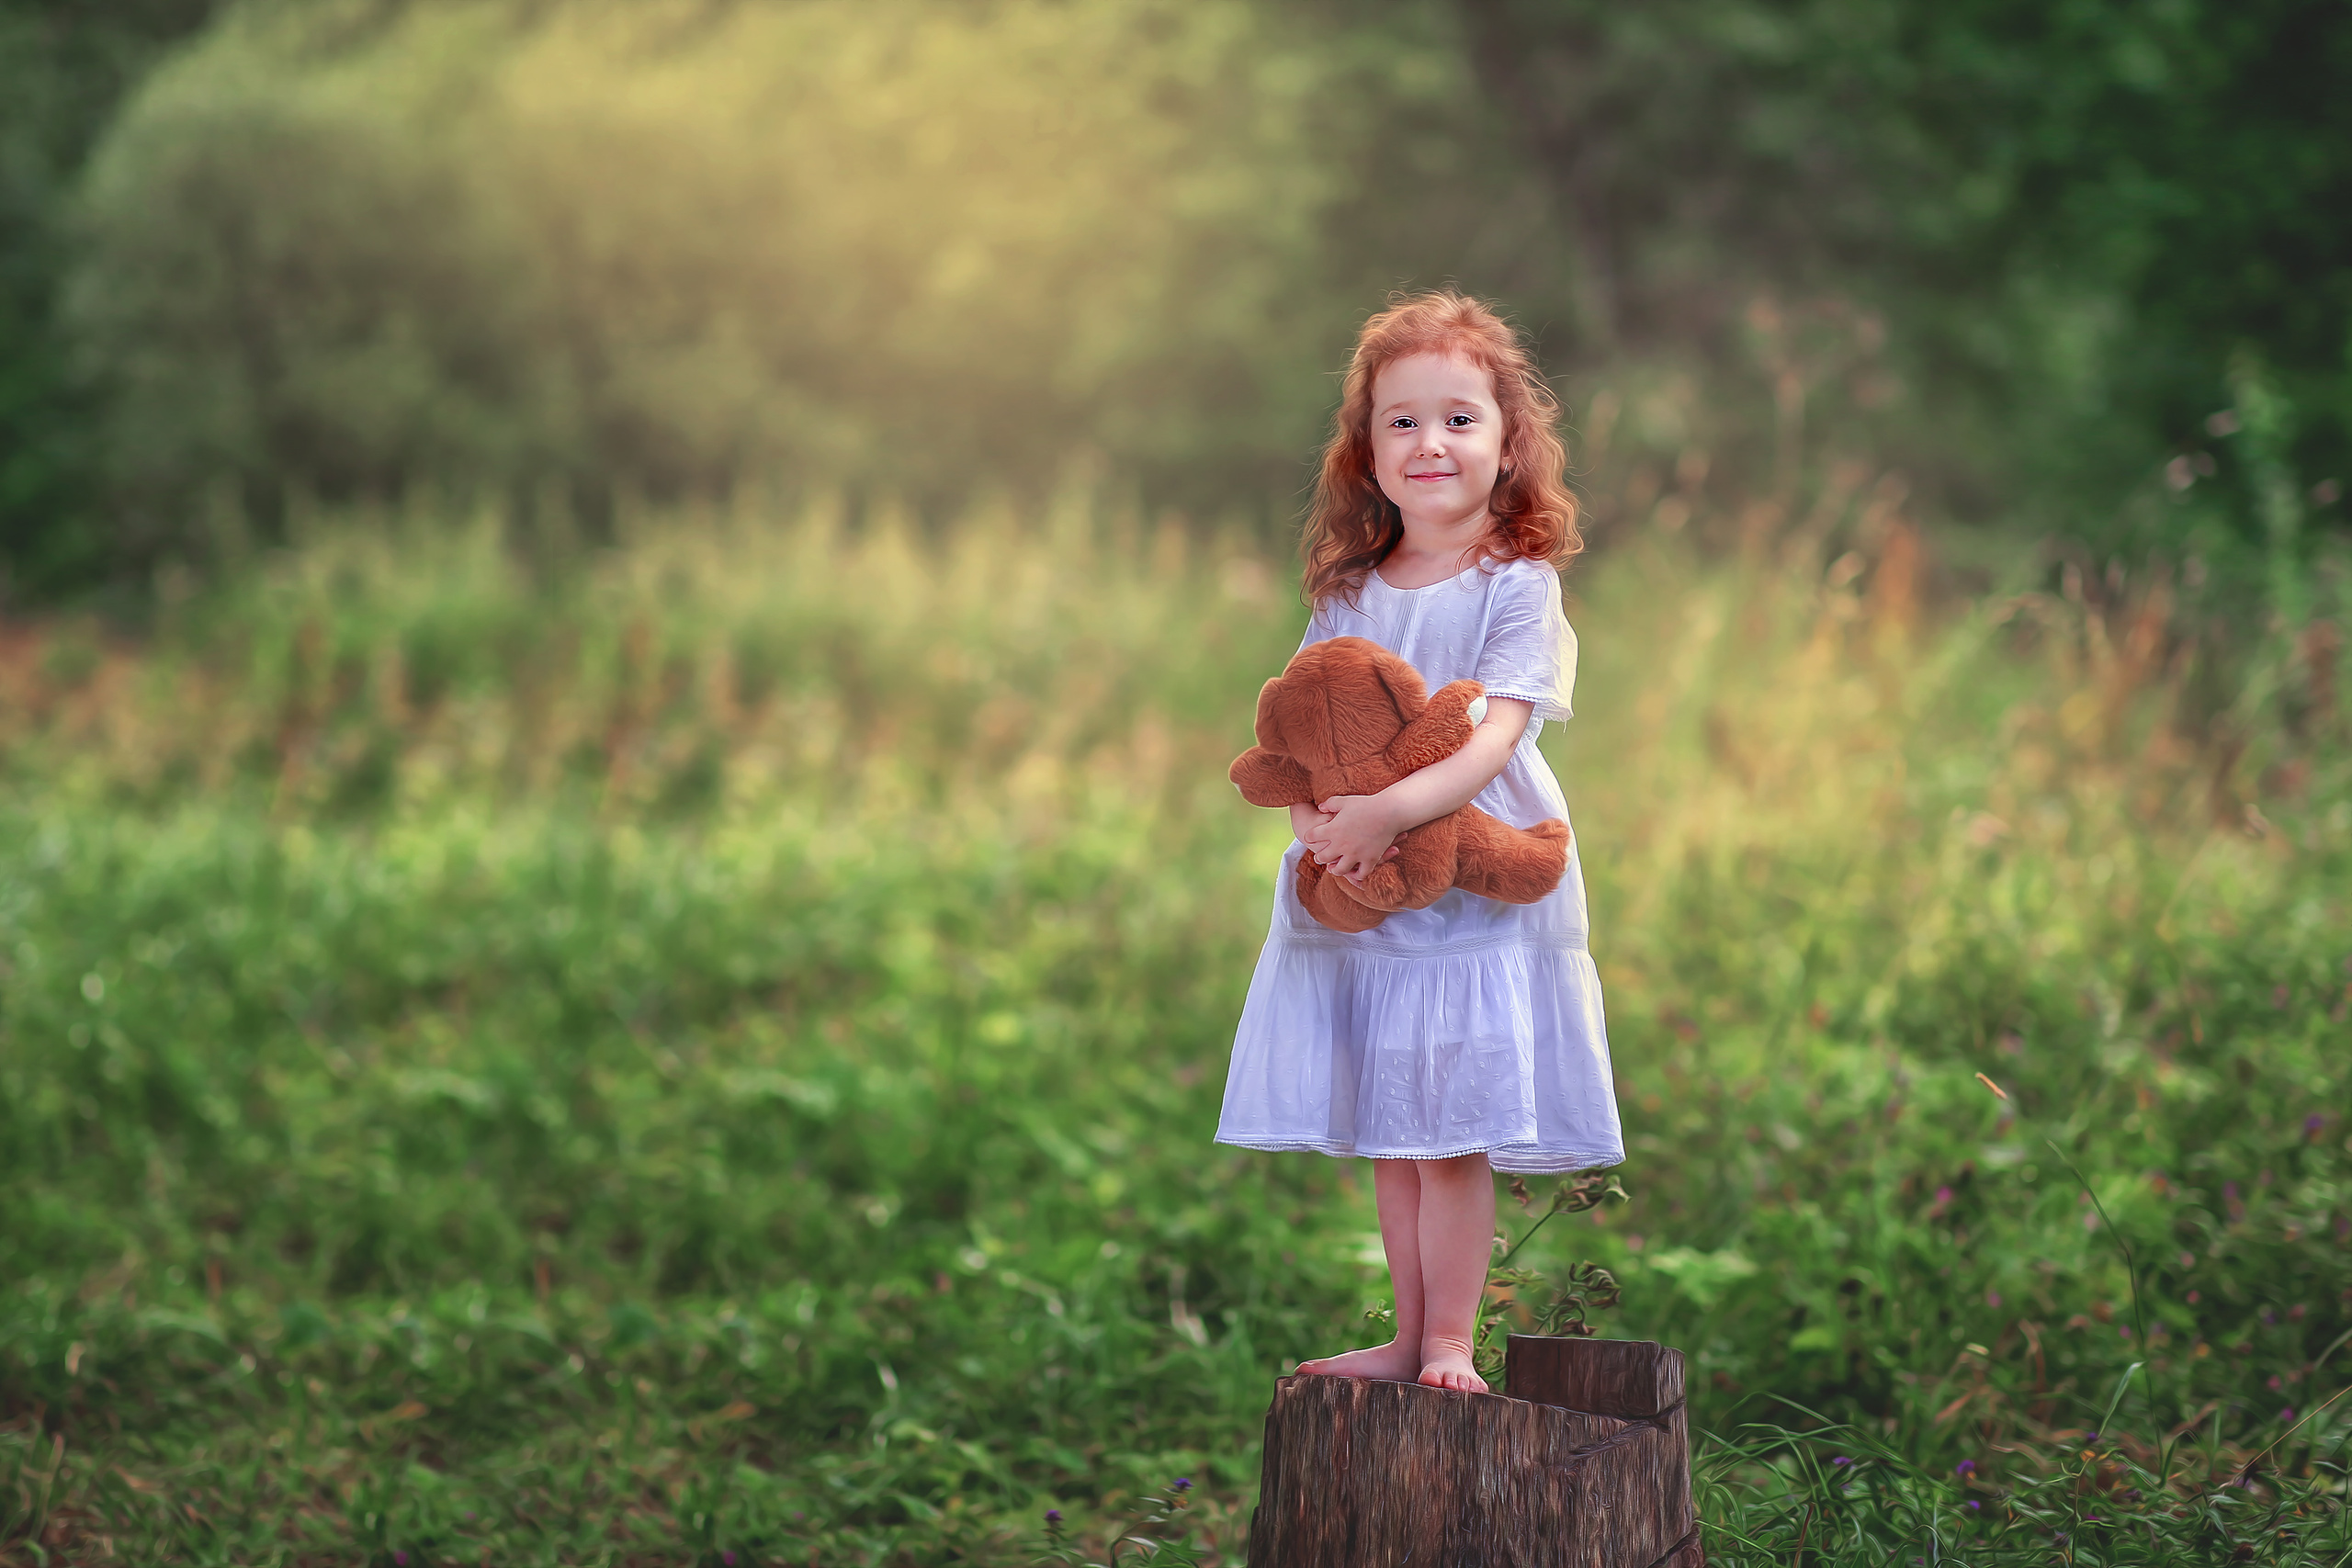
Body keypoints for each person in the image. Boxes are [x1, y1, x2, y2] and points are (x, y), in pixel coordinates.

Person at [1216, 291, 1624, 1394]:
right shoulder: (1347, 592)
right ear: (1366, 452)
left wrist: (1391, 812)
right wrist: (1318, 830)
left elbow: (1494, 735)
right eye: (1400, 422)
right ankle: (1405, 1335)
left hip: (1471, 889)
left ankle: (1449, 1342)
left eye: (1458, 419)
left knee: (1451, 1134)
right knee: (1396, 1134)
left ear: (1506, 446)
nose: (1429, 443)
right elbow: (1296, 733)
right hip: (1359, 881)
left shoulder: (1515, 585)